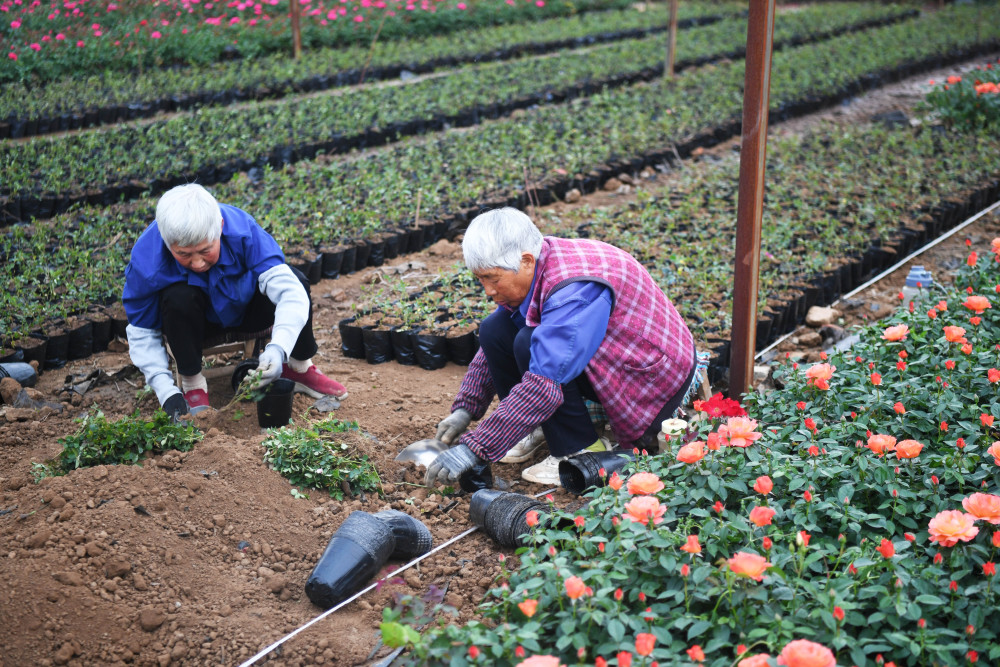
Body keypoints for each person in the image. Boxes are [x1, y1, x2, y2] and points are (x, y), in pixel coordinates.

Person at [425, 207, 699, 487]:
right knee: (495, 329)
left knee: (530, 344)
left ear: (526, 261)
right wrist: (465, 409)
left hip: (648, 374)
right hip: (607, 351)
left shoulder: (573, 292)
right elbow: (495, 343)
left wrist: (475, 448)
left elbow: (545, 382)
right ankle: (533, 426)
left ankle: (579, 448)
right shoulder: (540, 261)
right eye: (480, 279)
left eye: (493, 279)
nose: (488, 291)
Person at [123, 183, 347, 420]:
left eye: (206, 250)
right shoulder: (146, 259)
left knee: (297, 281)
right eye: (184, 255)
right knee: (178, 299)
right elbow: (141, 330)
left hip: (246, 309)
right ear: (166, 242)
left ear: (220, 227)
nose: (197, 263)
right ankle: (192, 384)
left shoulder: (243, 230)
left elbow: (288, 291)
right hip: (195, 325)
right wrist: (166, 391)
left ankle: (299, 367)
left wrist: (279, 347)